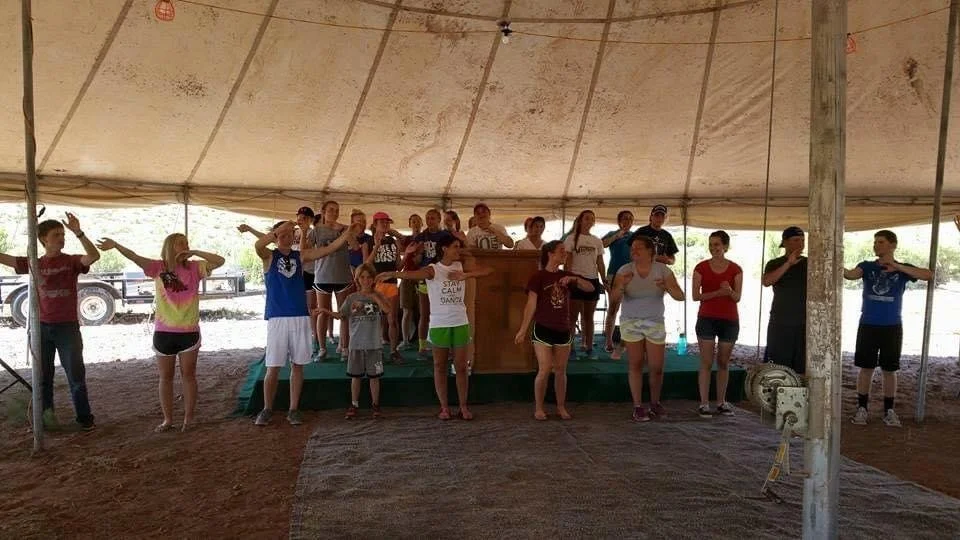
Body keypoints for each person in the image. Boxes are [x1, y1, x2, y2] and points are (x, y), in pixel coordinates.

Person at [97, 233, 224, 432]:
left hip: (188, 330)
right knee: (165, 377)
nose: (186, 246)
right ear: (171, 246)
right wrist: (115, 245)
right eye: (181, 243)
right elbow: (134, 256)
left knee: (188, 375)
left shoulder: (195, 267)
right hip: (164, 331)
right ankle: (168, 419)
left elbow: (220, 261)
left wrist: (196, 252)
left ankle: (189, 419)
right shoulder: (158, 267)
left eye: (187, 243)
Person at [244, 220, 359, 426]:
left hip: (300, 316)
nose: (288, 237)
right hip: (277, 317)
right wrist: (277, 232)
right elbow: (258, 246)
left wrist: (348, 232)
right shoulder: (269, 256)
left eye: (291, 234)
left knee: (298, 365)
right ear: (277, 234)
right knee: (273, 366)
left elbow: (329, 248)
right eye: (284, 234)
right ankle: (267, 408)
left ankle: (293, 409)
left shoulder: (301, 255)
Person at [0, 213, 99, 430]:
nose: (62, 238)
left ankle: (85, 419)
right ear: (44, 239)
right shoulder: (35, 261)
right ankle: (46, 420)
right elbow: (7, 259)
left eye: (63, 234)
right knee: (43, 378)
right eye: (57, 235)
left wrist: (78, 232)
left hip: (67, 327)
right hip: (41, 327)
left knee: (75, 375)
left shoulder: (71, 260)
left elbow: (93, 256)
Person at [378, 235, 492, 420]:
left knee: (461, 367)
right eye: (455, 246)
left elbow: (488, 270)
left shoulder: (461, 265)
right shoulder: (433, 270)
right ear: (444, 249)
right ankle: (444, 407)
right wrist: (392, 274)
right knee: (439, 366)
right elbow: (411, 275)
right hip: (440, 324)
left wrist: (466, 275)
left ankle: (463, 406)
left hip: (460, 322)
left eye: (459, 247)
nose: (458, 249)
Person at [845, 230, 933, 428]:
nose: (876, 245)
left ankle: (889, 410)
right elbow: (850, 275)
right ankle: (862, 409)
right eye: (875, 242)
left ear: (892, 245)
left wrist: (898, 267)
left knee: (889, 369)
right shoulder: (866, 266)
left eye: (881, 242)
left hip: (892, 325)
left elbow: (928, 275)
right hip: (868, 324)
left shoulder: (902, 269)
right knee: (866, 368)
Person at [514, 241, 594, 420]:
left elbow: (590, 287)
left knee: (560, 369)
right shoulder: (538, 277)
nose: (564, 254)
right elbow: (531, 305)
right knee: (544, 368)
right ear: (550, 254)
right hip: (543, 327)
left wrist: (574, 279)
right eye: (561, 251)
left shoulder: (567, 275)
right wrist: (523, 329)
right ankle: (539, 408)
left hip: (563, 328)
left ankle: (560, 406)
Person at [610, 234, 685, 422]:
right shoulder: (624, 270)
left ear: (650, 251)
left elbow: (680, 296)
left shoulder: (663, 270)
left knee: (656, 367)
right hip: (631, 321)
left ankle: (654, 402)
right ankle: (637, 406)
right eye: (632, 248)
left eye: (638, 248)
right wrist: (622, 286)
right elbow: (613, 299)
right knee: (635, 364)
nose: (633, 251)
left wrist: (667, 287)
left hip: (655, 322)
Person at [324, 264, 392, 419]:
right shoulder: (351, 298)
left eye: (369, 277)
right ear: (357, 279)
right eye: (362, 277)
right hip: (356, 344)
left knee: (374, 377)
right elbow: (341, 315)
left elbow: (388, 310)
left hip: (374, 344)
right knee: (355, 376)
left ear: (373, 279)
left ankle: (375, 404)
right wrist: (325, 311)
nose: (366, 280)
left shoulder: (379, 295)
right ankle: (354, 404)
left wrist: (374, 296)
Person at [692, 231, 742, 417]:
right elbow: (696, 296)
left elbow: (737, 297)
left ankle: (721, 401)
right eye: (711, 244)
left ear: (725, 247)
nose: (713, 248)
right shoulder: (701, 268)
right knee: (706, 362)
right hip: (706, 318)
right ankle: (704, 403)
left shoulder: (736, 269)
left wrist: (728, 291)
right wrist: (717, 294)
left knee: (723, 362)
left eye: (717, 245)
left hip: (729, 320)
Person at [304, 201, 358, 360]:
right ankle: (322, 348)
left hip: (343, 277)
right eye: (331, 210)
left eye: (337, 210)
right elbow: (305, 251)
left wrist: (348, 233)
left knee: (344, 314)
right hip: (322, 277)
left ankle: (345, 348)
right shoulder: (316, 231)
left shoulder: (344, 228)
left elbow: (355, 247)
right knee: (323, 312)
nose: (334, 213)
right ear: (323, 212)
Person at [762, 226, 807, 375]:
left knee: (802, 366)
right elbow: (767, 281)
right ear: (785, 243)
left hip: (804, 324)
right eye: (796, 240)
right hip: (780, 322)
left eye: (802, 240)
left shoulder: (811, 264)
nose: (800, 244)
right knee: (778, 367)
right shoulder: (775, 263)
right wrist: (788, 263)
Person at [563, 210, 607, 357]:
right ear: (580, 220)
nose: (589, 221)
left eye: (592, 219)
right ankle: (570, 347)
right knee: (573, 316)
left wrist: (603, 279)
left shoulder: (597, 240)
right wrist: (568, 277)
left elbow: (600, 262)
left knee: (589, 316)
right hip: (575, 279)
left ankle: (588, 346)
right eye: (587, 218)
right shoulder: (570, 239)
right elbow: (567, 261)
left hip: (592, 280)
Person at [411, 209, 454, 359]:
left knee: (445, 313)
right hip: (426, 278)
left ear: (439, 219)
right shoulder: (421, 237)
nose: (430, 221)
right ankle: (422, 347)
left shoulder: (446, 236)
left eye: (433, 218)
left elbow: (453, 255)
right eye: (428, 218)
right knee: (425, 314)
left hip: (441, 278)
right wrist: (417, 254)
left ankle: (447, 348)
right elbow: (416, 260)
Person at [365, 211, 403, 363]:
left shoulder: (393, 241)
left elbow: (398, 267)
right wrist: (376, 246)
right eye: (382, 222)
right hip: (374, 286)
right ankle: (376, 349)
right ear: (375, 224)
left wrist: (405, 254)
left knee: (392, 318)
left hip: (391, 283)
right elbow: (366, 265)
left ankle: (394, 350)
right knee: (375, 319)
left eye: (388, 222)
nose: (386, 225)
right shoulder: (367, 242)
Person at [601, 210, 635, 353]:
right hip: (614, 274)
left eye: (630, 219)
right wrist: (616, 236)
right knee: (613, 308)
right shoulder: (612, 233)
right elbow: (602, 244)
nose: (627, 221)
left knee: (630, 309)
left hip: (631, 274)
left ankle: (626, 340)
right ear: (619, 221)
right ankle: (608, 341)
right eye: (624, 219)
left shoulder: (636, 236)